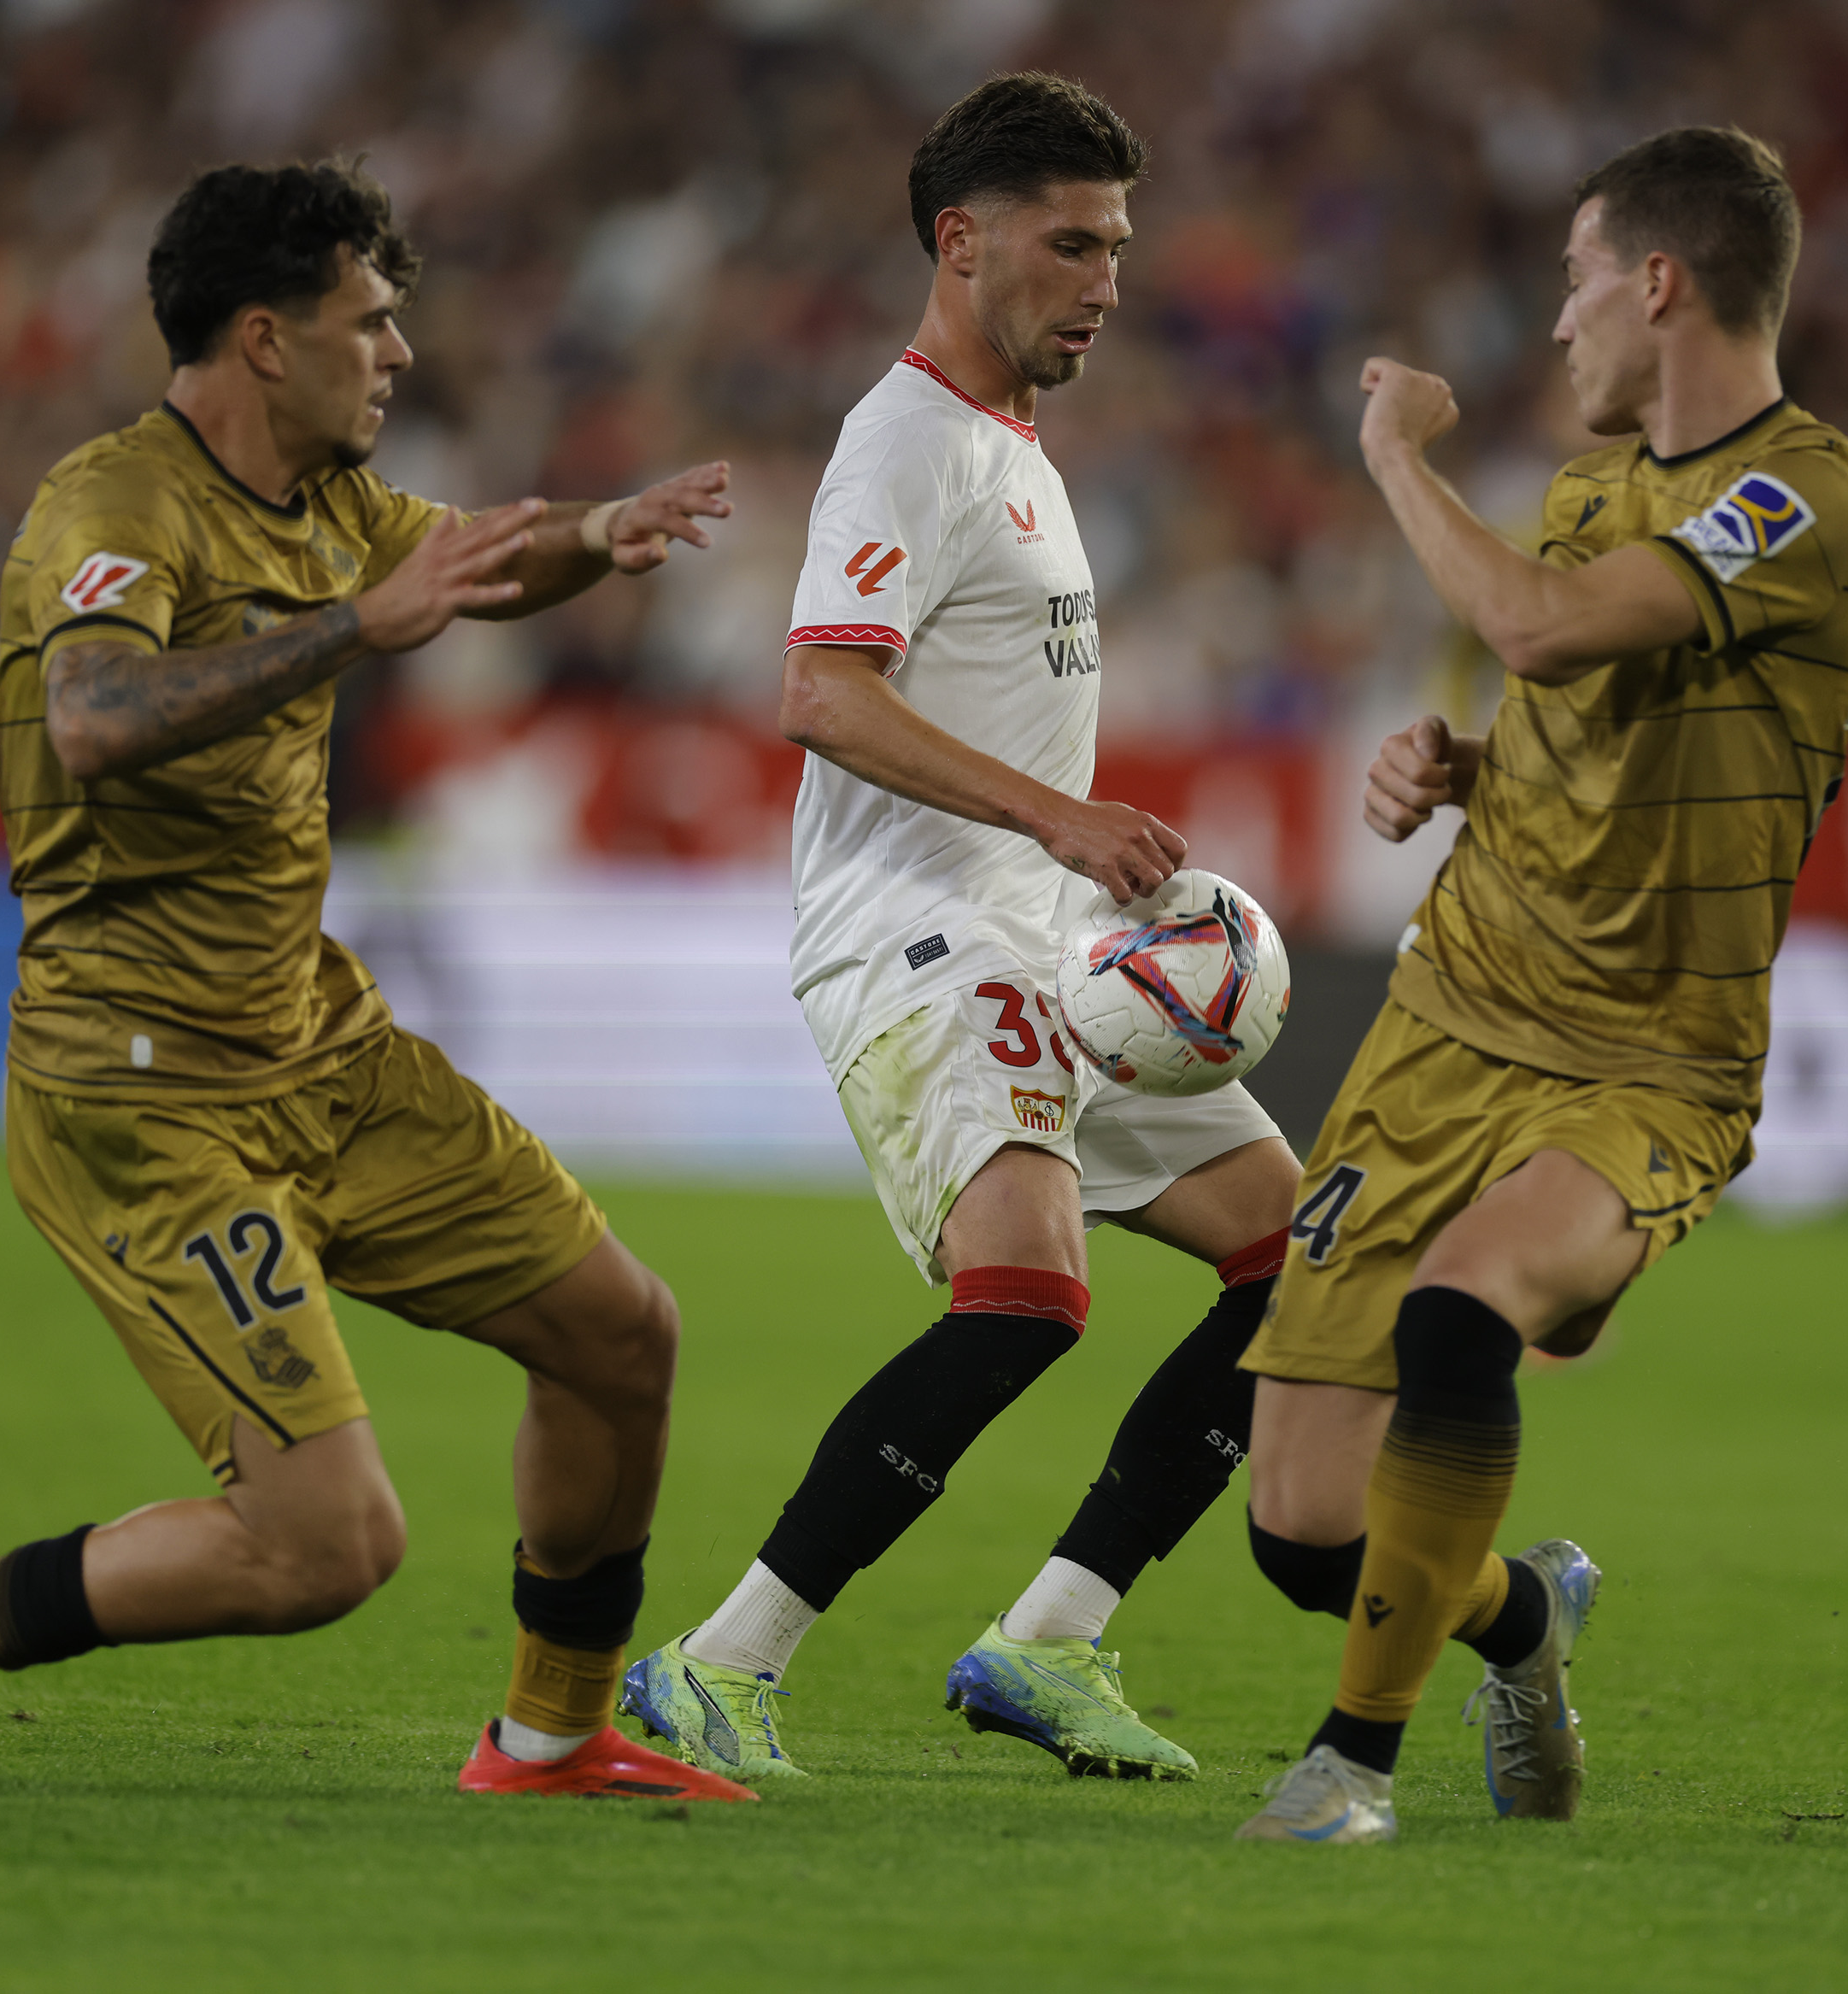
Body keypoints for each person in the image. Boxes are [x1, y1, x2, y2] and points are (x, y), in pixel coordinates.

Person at [0, 159, 756, 1804]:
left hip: (320, 1043)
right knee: (326, 1545)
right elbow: (95, 723)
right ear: (262, 338)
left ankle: (547, 1734)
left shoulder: (332, 503)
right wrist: (351, 633)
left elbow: (476, 566)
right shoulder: (112, 508)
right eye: (368, 321)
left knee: (621, 1334)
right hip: (143, 1096)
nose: (396, 351)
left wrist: (597, 533)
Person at [619, 73, 1299, 1785]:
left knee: (1306, 1264)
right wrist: (1064, 820)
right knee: (1022, 1296)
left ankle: (1051, 1637)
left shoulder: (1012, 450)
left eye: (1118, 248)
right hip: (920, 933)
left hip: (1052, 943)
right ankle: (716, 1667)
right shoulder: (907, 440)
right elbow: (819, 695)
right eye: (1071, 245)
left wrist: (1080, 872)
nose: (1106, 280)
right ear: (961, 240)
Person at [1231, 126, 1848, 1843]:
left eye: (1572, 279)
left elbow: (1534, 629)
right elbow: (1561, 699)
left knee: (1463, 1312)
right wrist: (1457, 772)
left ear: (1656, 282)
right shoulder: (1592, 498)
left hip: (1645, 1061)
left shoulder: (1809, 497)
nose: (1555, 325)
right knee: (1302, 1527)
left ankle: (1346, 1774)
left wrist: (1390, 452)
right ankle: (1525, 1624)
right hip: (1447, 1017)